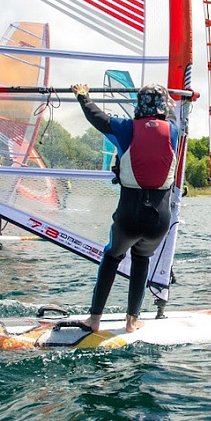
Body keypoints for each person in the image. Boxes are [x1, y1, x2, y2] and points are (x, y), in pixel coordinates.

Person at [72, 82, 178, 333]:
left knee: (111, 257)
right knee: (142, 259)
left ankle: (94, 320)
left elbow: (96, 117)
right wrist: (174, 100)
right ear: (163, 107)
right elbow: (173, 113)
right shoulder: (174, 130)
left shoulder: (125, 128)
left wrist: (83, 96)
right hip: (159, 221)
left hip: (129, 216)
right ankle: (132, 321)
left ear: (138, 105)